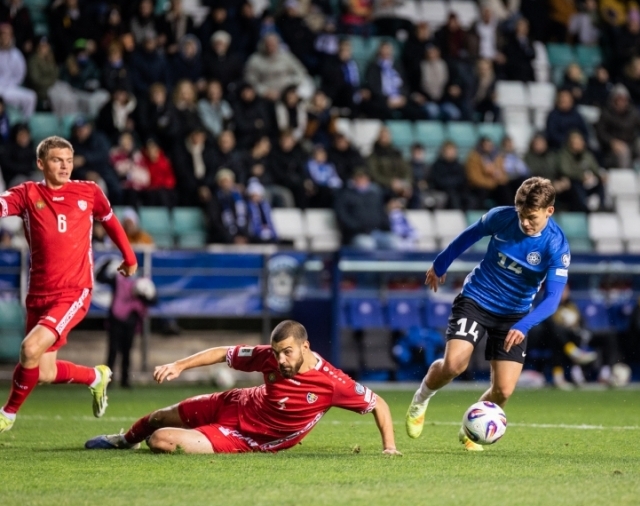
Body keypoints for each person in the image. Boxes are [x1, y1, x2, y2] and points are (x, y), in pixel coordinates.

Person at [405, 177, 571, 451]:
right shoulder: (501, 218)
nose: (525, 223)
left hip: (514, 316)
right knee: (454, 365)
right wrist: (440, 264)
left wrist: (524, 325)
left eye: (532, 217)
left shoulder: (556, 245)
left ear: (549, 211)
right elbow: (468, 237)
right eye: (522, 215)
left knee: (503, 391)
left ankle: (471, 430)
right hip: (477, 300)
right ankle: (420, 399)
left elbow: (552, 299)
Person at [85, 320, 401, 455]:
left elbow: (379, 405)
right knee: (157, 418)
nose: (280, 360)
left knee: (161, 440)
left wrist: (389, 447)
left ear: (306, 347)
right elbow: (224, 352)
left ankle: (169, 438)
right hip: (236, 402)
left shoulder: (332, 382)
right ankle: (123, 441)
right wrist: (179, 365)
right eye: (277, 352)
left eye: (287, 352)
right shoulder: (270, 356)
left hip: (250, 437)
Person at [0, 136, 138, 434]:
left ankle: (7, 414)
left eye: (68, 160)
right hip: (38, 294)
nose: (64, 166)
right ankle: (95, 377)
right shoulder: (27, 194)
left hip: (73, 291)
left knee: (29, 348)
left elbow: (110, 220)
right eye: (56, 160)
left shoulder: (88, 192)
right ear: (41, 164)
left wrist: (129, 257)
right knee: (44, 371)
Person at [96, 260, 156, 388]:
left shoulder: (143, 283)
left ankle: (125, 380)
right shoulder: (118, 280)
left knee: (127, 351)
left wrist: (144, 295)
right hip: (116, 319)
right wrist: (106, 264)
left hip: (131, 320)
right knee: (112, 351)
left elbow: (153, 300)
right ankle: (108, 380)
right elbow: (100, 278)